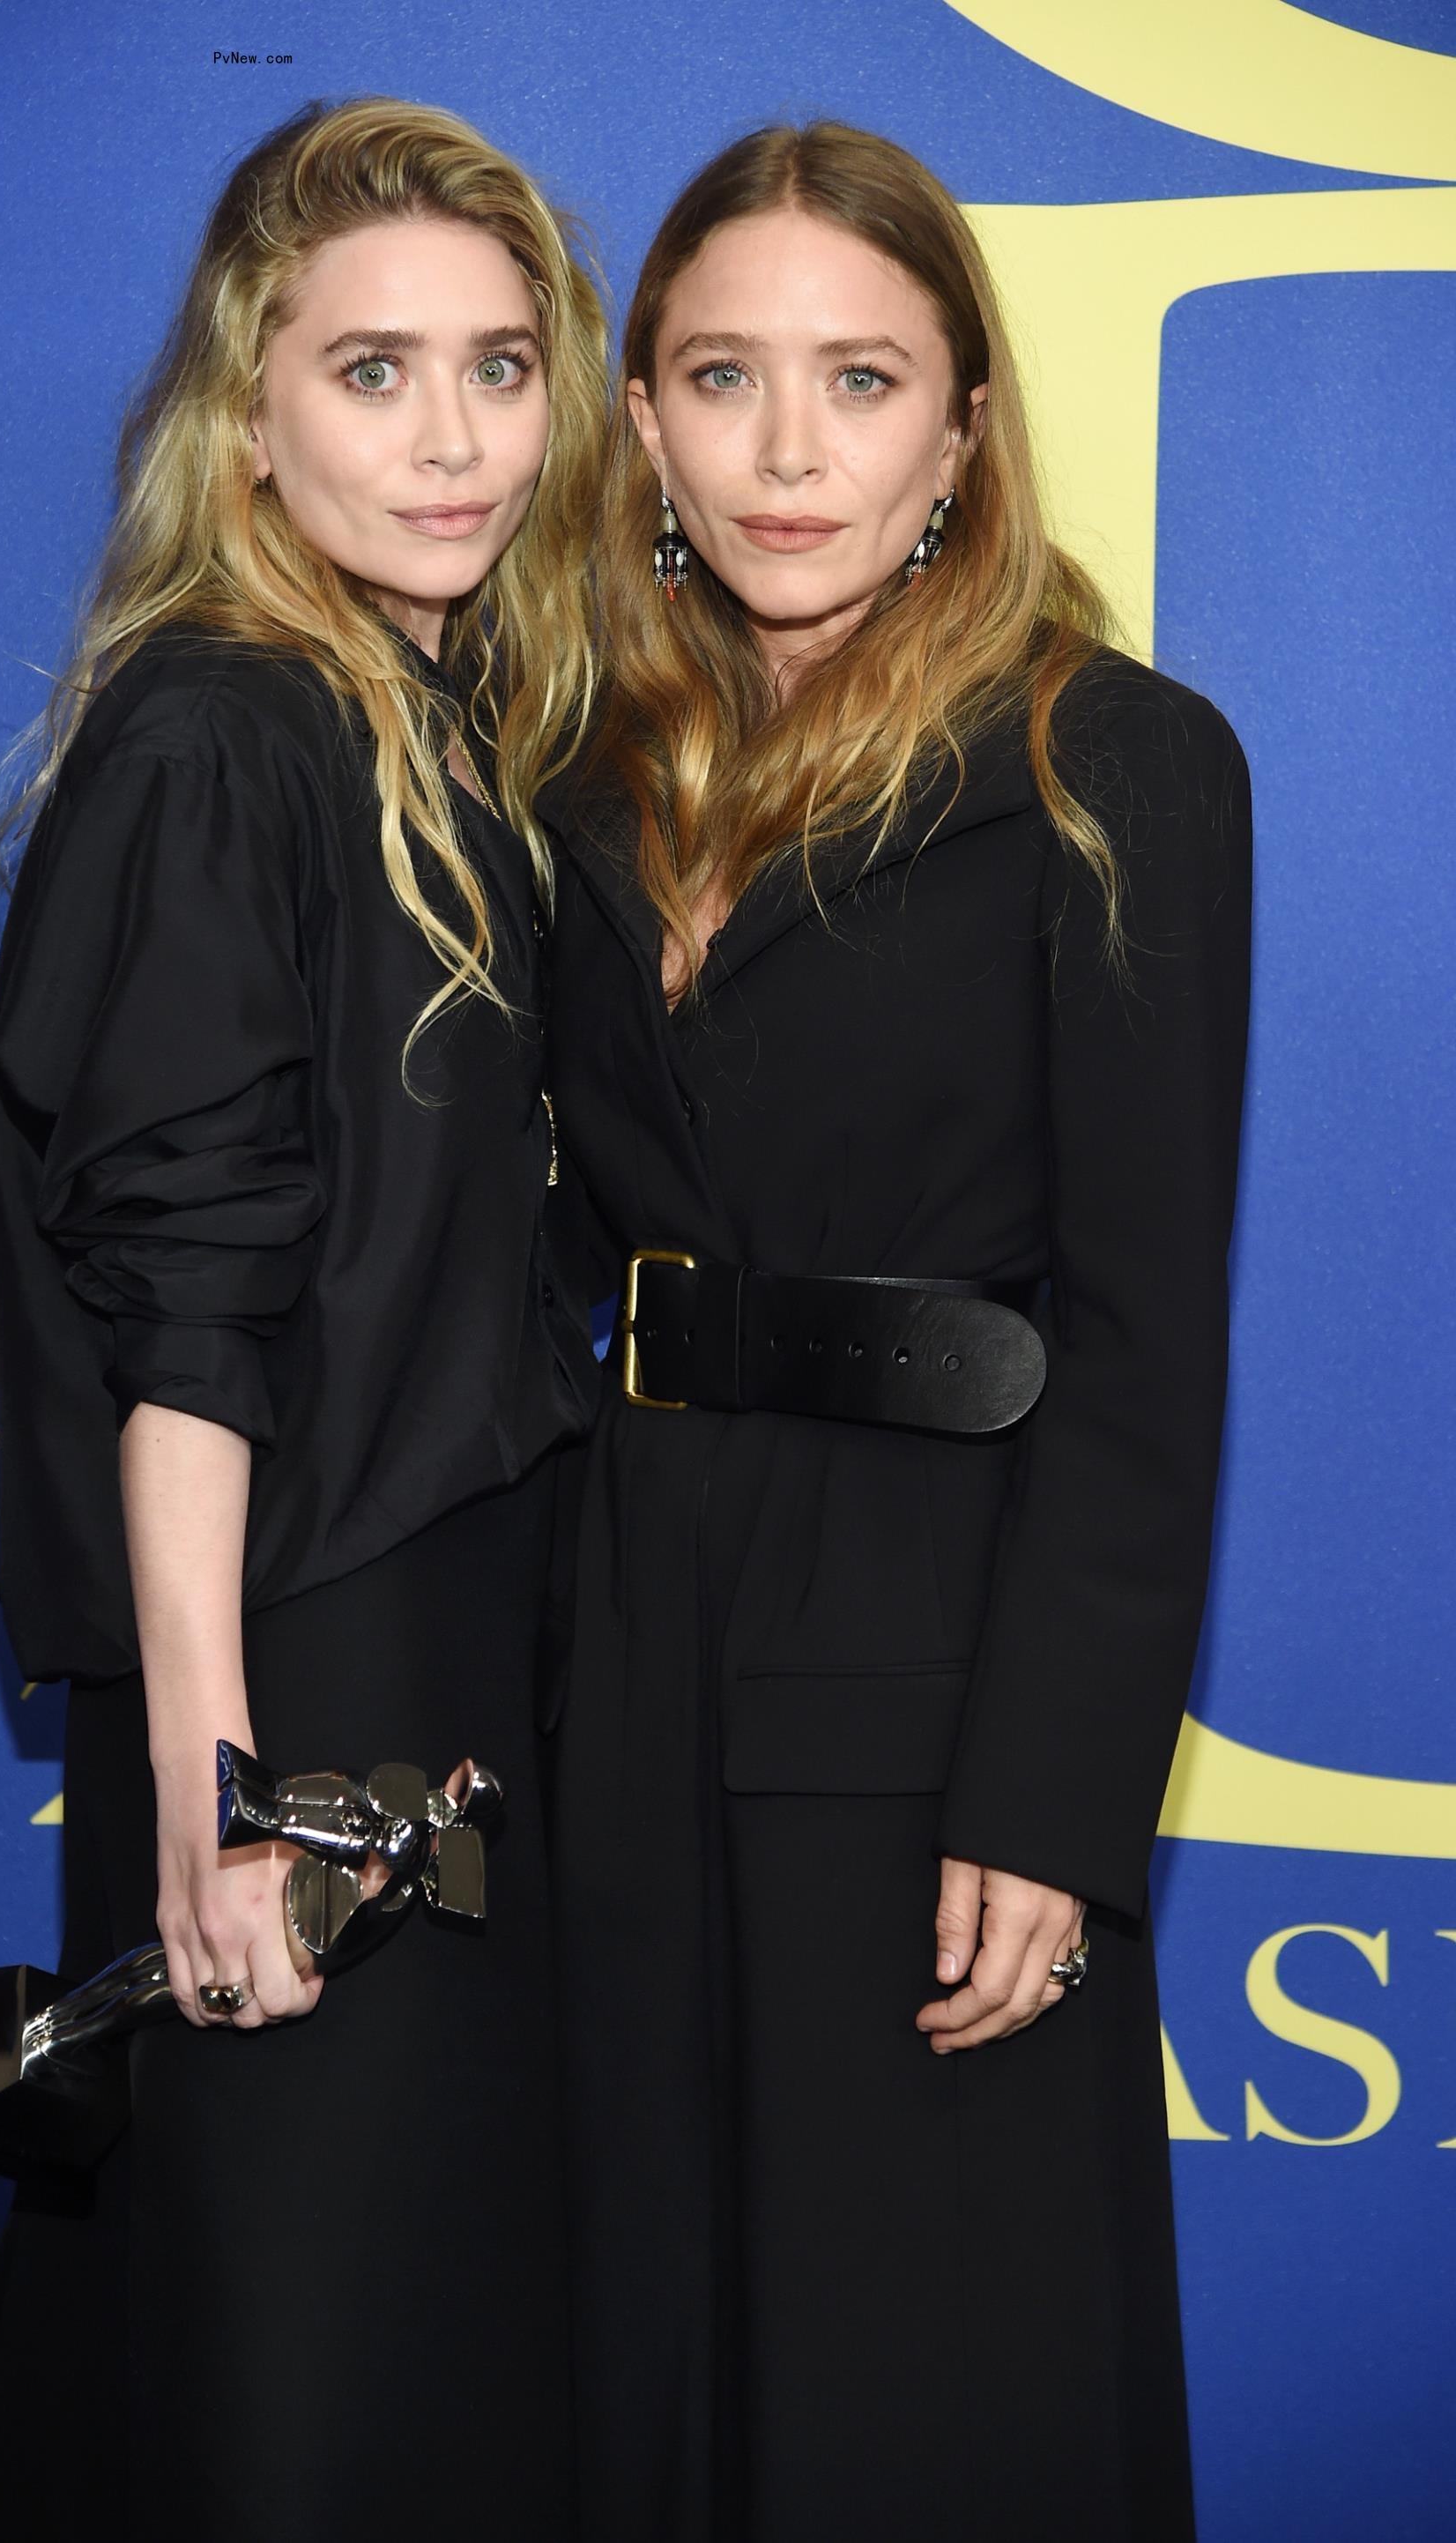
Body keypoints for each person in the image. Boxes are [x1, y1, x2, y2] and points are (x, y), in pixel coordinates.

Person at [544, 121, 1251, 2541]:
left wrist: (1055, 1804)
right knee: (624, 2354)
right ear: (641, 422)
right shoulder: (565, 762)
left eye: (860, 381)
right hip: (614, 1644)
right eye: (720, 376)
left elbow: (1146, 1340)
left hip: (937, 1674)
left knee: (919, 2376)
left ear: (963, 428)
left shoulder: (1111, 761)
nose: (787, 449)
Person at [0, 98, 605, 2543]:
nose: (452, 439)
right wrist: (222, 1793)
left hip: (430, 1636)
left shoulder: (419, 721)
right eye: (371, 371)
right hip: (306, 1669)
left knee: (311, 2345)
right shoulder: (223, 730)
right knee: (304, 2375)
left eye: (499, 367)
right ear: (248, 414)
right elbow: (187, 1324)